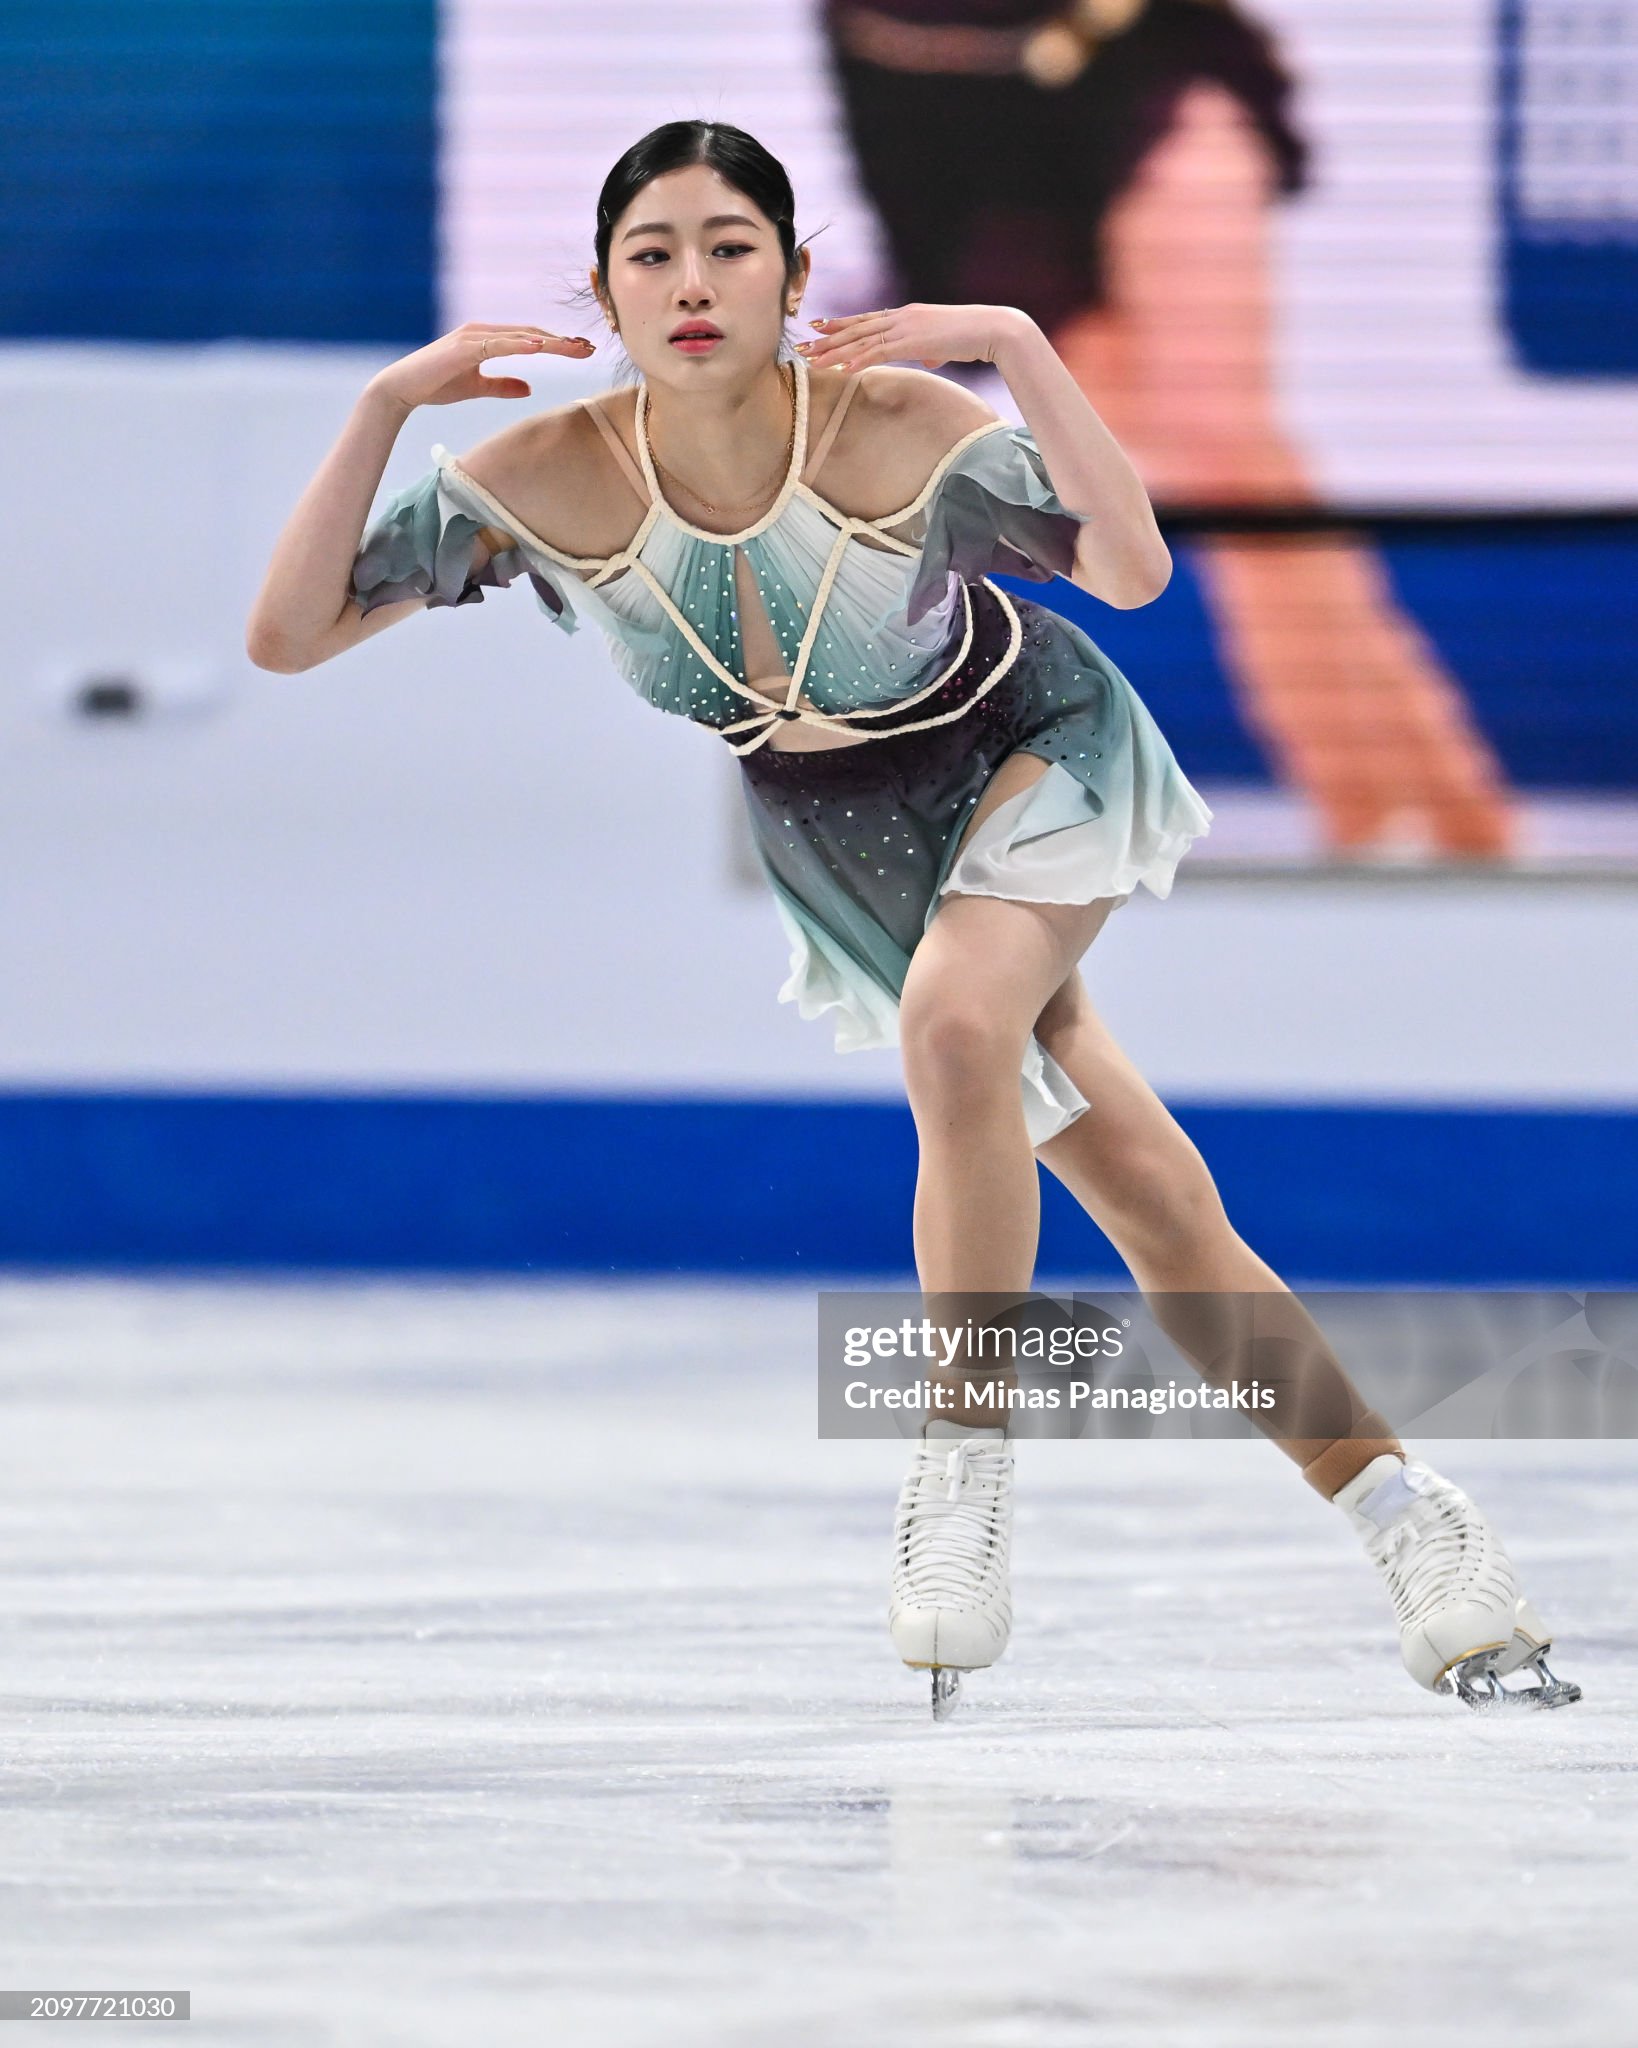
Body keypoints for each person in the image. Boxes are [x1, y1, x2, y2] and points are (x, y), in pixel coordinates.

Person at [246, 120, 1576, 1719]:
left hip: (1030, 747)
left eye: (730, 248)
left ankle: (959, 1469)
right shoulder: (540, 477)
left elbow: (1132, 572)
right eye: (652, 253)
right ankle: (1415, 1525)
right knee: (1156, 1204)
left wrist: (1013, 343)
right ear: (602, 290)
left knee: (955, 1029)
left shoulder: (895, 421)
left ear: (794, 276)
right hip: (848, 845)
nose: (691, 283)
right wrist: (384, 405)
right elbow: (289, 634)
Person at [821, 0, 1520, 861]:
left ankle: (1411, 813)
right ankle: (1433, 812)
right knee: (1229, 481)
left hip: (1132, 69)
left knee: (1227, 455)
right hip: (950, 121)